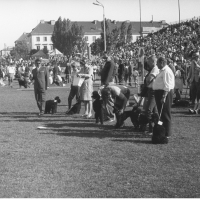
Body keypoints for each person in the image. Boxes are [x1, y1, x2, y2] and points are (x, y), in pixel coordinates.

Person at [153, 56, 175, 140]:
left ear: (162, 62)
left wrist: (163, 96)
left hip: (164, 93)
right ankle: (162, 131)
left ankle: (167, 133)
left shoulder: (166, 71)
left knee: (165, 113)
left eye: (157, 63)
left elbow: (167, 85)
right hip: (159, 93)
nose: (157, 65)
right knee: (161, 113)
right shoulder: (162, 71)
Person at [144, 55, 159, 134]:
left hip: (153, 91)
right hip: (152, 91)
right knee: (155, 111)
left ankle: (152, 129)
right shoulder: (153, 69)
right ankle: (156, 127)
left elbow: (149, 79)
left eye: (149, 62)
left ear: (153, 61)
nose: (148, 63)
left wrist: (146, 79)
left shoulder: (155, 69)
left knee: (149, 111)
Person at [100, 54, 116, 122]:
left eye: (106, 57)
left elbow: (110, 73)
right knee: (104, 100)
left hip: (108, 82)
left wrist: (106, 83)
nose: (104, 58)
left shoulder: (111, 63)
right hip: (105, 82)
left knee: (109, 100)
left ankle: (112, 116)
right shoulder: (107, 63)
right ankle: (106, 116)